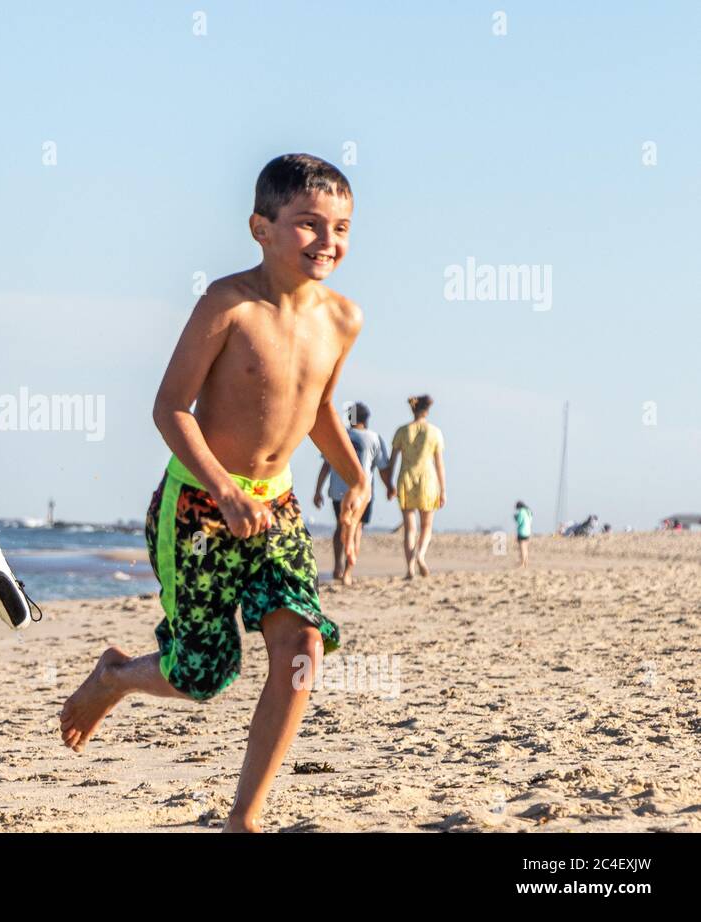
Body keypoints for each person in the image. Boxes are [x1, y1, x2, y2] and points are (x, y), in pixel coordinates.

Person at [59, 154, 369, 833]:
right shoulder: (228, 304)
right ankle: (114, 676)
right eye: (308, 225)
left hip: (278, 509)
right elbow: (171, 407)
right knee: (202, 674)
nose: (328, 242)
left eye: (341, 227)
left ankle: (244, 818)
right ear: (261, 227)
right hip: (197, 508)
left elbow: (318, 407)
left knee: (301, 650)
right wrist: (224, 489)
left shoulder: (344, 319)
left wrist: (356, 474)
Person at [312, 402, 393, 584]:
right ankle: (348, 572)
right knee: (355, 530)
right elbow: (382, 468)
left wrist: (318, 491)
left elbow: (326, 465)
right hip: (362, 493)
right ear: (366, 419)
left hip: (337, 489)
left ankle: (337, 567)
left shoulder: (339, 437)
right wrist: (389, 486)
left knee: (340, 527)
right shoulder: (373, 438)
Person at [383, 395, 445, 579]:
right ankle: (421, 554)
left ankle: (410, 568)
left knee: (410, 528)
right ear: (427, 410)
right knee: (426, 525)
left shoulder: (402, 431)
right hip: (428, 479)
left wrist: (389, 484)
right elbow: (439, 463)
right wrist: (443, 490)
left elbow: (392, 461)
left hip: (406, 478)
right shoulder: (434, 432)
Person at [514, 500, 532, 568]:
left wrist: (516, 518)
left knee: (522, 548)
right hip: (528, 531)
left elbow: (519, 521)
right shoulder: (528, 511)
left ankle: (522, 563)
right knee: (526, 548)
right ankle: (526, 563)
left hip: (522, 531)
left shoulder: (521, 512)